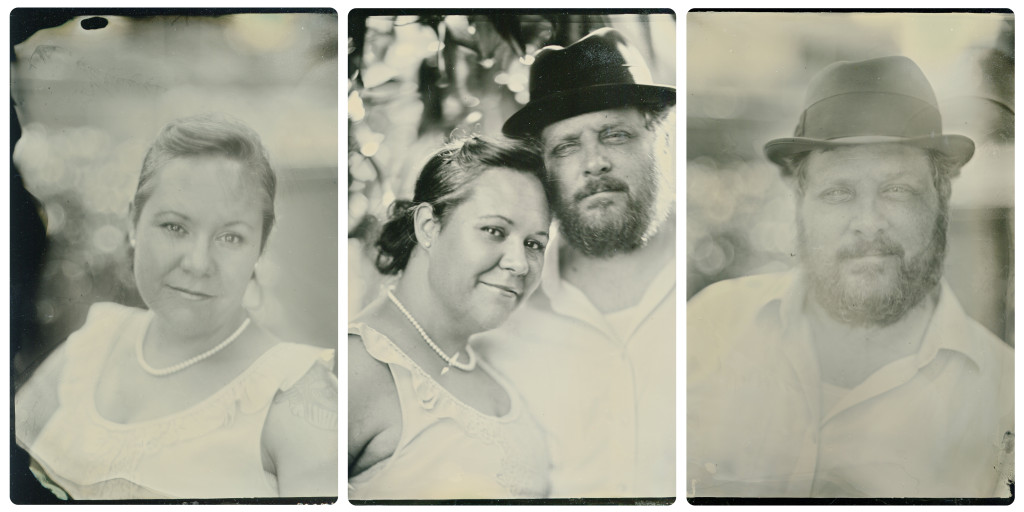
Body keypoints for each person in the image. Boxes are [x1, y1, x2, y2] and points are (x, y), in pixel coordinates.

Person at [687, 56, 1014, 498]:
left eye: (896, 189)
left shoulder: (1007, 402)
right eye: (838, 193)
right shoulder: (706, 327)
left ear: (942, 197)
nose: (868, 221)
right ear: (800, 201)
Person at [13, 113, 338, 499]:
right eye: (174, 227)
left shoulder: (295, 399)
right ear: (133, 220)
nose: (198, 263)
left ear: (261, 247)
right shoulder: (91, 345)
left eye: (230, 237)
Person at [474, 28, 677, 498]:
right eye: (566, 147)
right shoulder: (504, 316)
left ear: (658, 141)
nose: (593, 163)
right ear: (543, 169)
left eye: (615, 135)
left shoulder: (708, 289)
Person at [347, 135, 555, 499]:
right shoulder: (357, 368)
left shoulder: (495, 369)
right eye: (494, 231)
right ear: (429, 226)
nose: (519, 263)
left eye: (534, 243)